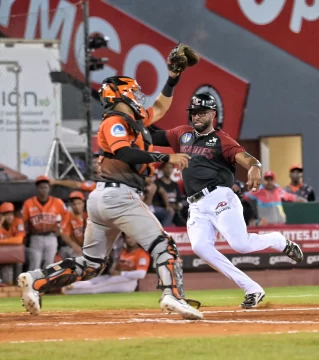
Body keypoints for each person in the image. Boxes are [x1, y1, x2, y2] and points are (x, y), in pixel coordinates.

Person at [18, 44, 203, 320]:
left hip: (104, 198)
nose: (138, 96)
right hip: (120, 196)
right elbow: (124, 152)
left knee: (92, 264)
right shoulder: (114, 121)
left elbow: (161, 106)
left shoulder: (133, 120)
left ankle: (35, 280)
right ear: (120, 94)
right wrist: (165, 158)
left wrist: (173, 77)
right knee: (165, 245)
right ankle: (172, 296)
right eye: (133, 92)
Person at [150, 92, 304, 308]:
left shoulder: (221, 139)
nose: (197, 117)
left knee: (241, 244)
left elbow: (247, 158)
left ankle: (278, 240)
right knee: (201, 248)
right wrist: (130, 122)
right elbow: (151, 136)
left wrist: (255, 167)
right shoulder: (181, 134)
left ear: (213, 113)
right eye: (194, 113)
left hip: (219, 196)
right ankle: (252, 289)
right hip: (195, 204)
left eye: (202, 112)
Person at [63, 234, 150, 294]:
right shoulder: (123, 252)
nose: (129, 240)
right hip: (117, 277)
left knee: (98, 287)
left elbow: (141, 274)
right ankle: (72, 284)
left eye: (132, 238)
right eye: (127, 238)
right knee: (96, 280)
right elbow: (117, 267)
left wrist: (121, 273)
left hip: (128, 282)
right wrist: (114, 269)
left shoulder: (141, 254)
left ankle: (71, 290)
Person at [22, 176, 68, 271]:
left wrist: (61, 230)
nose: (43, 190)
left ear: (49, 188)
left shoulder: (58, 202)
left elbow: (66, 217)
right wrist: (26, 233)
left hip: (51, 237)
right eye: (41, 187)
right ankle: (32, 285)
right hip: (35, 237)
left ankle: (46, 285)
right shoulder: (28, 203)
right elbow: (23, 220)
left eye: (45, 187)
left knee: (49, 265)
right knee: (34, 265)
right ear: (37, 189)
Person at [0, 202, 25, 285]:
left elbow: (19, 240)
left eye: (11, 214)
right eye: (7, 214)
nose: (10, 217)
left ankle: (19, 286)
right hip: (3, 256)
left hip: (16, 255)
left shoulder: (18, 221)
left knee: (19, 263)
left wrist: (2, 241)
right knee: (7, 272)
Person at [59, 191, 87, 259]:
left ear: (83, 203)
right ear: (71, 205)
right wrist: (73, 245)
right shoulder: (68, 217)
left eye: (79, 203)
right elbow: (64, 235)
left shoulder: (88, 216)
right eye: (74, 204)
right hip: (71, 248)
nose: (77, 206)